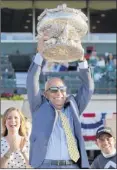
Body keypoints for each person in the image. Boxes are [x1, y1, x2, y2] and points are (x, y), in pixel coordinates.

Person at [27, 34, 94, 168]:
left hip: (72, 166)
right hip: (46, 166)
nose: (59, 93)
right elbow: (31, 81)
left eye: (62, 89)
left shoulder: (74, 106)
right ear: (45, 94)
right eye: (53, 89)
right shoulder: (39, 106)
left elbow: (89, 87)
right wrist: (40, 54)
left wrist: (81, 59)